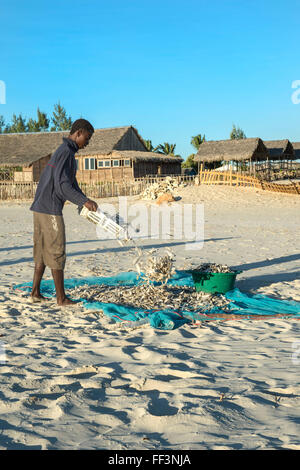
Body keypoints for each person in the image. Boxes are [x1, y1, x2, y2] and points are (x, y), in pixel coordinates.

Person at [30, 118, 98, 306]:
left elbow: (71, 184)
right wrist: (84, 201)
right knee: (57, 251)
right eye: (87, 138)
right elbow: (62, 187)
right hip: (50, 209)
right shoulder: (66, 152)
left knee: (43, 252)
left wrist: (83, 201)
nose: (87, 143)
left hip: (39, 207)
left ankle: (35, 292)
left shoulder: (63, 152)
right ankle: (61, 298)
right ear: (78, 133)